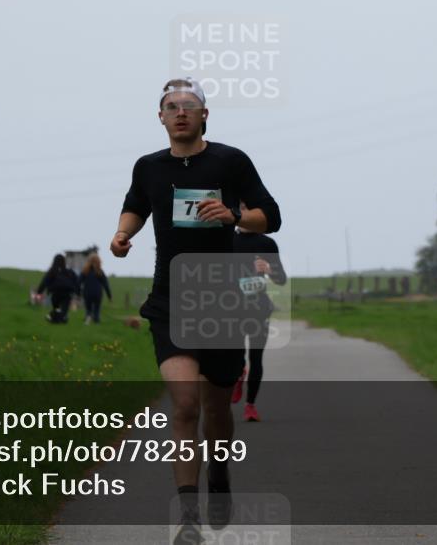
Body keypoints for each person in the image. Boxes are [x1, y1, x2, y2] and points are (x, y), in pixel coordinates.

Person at [110, 77, 281, 541]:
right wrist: (123, 234)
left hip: (221, 297)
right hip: (169, 298)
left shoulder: (230, 160)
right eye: (171, 106)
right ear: (160, 117)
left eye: (189, 105)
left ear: (205, 114)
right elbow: (136, 206)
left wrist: (235, 216)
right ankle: (187, 520)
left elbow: (272, 215)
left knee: (216, 405)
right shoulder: (147, 167)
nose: (180, 111)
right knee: (185, 404)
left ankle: (219, 474)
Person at [230, 202, 287, 422]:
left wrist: (270, 269)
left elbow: (281, 280)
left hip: (258, 309)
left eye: (251, 208)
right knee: (235, 357)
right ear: (236, 211)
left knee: (256, 357)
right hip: (232, 309)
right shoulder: (228, 241)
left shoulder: (267, 243)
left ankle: (250, 406)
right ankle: (238, 373)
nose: (247, 212)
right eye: (243, 208)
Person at [36, 254, 78, 324]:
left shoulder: (52, 271)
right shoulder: (69, 271)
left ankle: (53, 319)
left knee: (57, 309)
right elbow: (76, 282)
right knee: (63, 311)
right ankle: (58, 319)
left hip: (55, 294)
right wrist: (78, 292)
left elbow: (45, 281)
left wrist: (39, 292)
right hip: (66, 294)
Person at [79, 253, 112, 324]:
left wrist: (78, 292)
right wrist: (109, 296)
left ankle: (88, 319)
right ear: (99, 261)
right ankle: (96, 320)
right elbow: (106, 284)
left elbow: (78, 282)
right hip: (97, 293)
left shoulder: (85, 271)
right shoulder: (100, 271)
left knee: (88, 308)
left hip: (87, 293)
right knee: (97, 309)